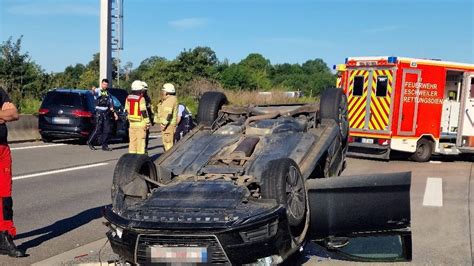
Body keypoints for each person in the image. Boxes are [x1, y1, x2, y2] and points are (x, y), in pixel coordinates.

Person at [0, 86, 25, 258]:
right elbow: (7, 115)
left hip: (2, 149)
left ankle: (5, 236)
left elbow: (14, 114)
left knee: (5, 196)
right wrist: (2, 115)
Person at [87, 79, 118, 151]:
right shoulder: (98, 90)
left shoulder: (108, 93)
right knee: (98, 129)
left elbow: (111, 105)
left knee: (107, 130)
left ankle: (105, 146)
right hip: (99, 112)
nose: (105, 86)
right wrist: (93, 90)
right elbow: (93, 93)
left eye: (106, 85)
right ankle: (90, 142)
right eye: (104, 84)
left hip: (106, 113)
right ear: (101, 84)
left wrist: (115, 113)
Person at [125, 80, 150, 154]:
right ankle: (140, 159)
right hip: (140, 124)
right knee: (140, 143)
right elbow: (143, 111)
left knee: (132, 142)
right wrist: (147, 122)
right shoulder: (141, 98)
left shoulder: (128, 98)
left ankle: (132, 158)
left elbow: (127, 110)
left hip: (132, 124)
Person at [156, 83, 178, 151]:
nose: (163, 92)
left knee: (168, 144)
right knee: (167, 143)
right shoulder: (169, 99)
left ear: (167, 92)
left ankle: (169, 159)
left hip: (168, 125)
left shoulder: (170, 100)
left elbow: (169, 113)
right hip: (168, 125)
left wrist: (164, 124)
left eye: (164, 91)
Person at [140, 81, 154, 151]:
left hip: (145, 119)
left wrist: (151, 120)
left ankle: (145, 148)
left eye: (145, 90)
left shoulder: (147, 98)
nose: (144, 91)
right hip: (139, 120)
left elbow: (149, 110)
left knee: (146, 135)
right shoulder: (138, 97)